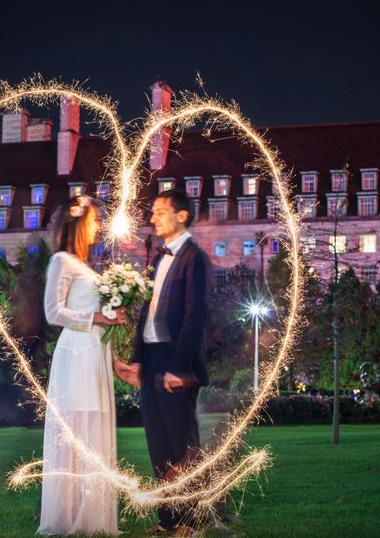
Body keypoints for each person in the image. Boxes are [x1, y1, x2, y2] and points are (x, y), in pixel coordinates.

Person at [38, 195, 135, 536]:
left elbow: (99, 319)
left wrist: (113, 327)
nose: (97, 227)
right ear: (79, 223)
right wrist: (95, 316)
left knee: (94, 428)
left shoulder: (85, 267)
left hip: (95, 355)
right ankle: (68, 514)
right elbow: (53, 312)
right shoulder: (61, 262)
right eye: (94, 220)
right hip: (75, 354)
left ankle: (93, 515)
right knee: (77, 428)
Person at [126, 188, 211, 535]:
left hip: (177, 362)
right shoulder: (158, 257)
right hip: (152, 357)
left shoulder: (195, 259)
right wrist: (136, 360)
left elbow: (195, 318)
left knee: (183, 446)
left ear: (182, 215)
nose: (153, 217)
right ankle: (167, 521)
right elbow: (146, 313)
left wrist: (178, 367)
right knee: (158, 445)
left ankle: (189, 522)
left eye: (161, 211)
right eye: (153, 211)